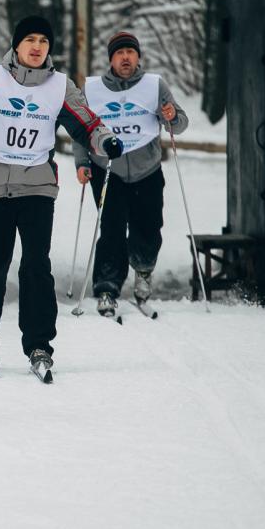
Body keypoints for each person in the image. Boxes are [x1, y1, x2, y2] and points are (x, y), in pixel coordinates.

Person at [0, 16, 121, 379]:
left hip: (37, 187)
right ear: (16, 45)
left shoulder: (59, 87)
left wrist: (104, 140)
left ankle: (39, 345)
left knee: (35, 267)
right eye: (29, 39)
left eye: (43, 41)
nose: (36, 47)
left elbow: (88, 124)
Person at [73, 31, 188, 317]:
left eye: (131, 52)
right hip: (106, 170)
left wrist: (171, 115)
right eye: (120, 53)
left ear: (138, 57)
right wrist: (81, 162)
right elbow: (80, 130)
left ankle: (144, 269)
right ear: (111, 59)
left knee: (148, 228)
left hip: (146, 170)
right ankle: (107, 287)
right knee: (111, 230)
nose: (126, 57)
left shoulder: (154, 85)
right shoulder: (94, 88)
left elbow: (180, 123)